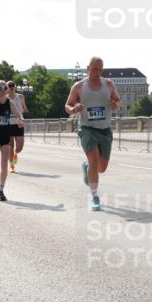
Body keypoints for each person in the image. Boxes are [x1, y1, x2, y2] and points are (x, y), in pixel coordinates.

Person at [64, 57, 121, 211]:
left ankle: (87, 167)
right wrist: (74, 109)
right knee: (95, 161)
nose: (97, 72)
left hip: (104, 130)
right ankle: (95, 196)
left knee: (101, 168)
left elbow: (117, 102)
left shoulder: (108, 84)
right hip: (87, 128)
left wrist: (115, 104)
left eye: (100, 69)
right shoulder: (79, 86)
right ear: (88, 68)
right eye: (94, 69)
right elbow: (67, 105)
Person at [6, 81, 29, 172]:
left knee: (20, 147)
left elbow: (25, 108)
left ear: (15, 87)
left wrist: (20, 112)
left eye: (13, 85)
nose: (11, 87)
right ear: (7, 87)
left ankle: (16, 153)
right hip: (8, 124)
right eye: (9, 85)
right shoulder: (5, 98)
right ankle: (11, 165)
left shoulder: (20, 96)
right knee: (10, 146)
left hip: (19, 122)